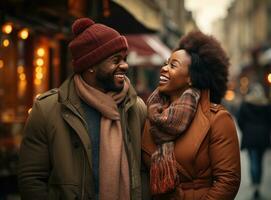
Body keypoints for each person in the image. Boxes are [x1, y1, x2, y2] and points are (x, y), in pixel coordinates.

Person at [18, 18, 148, 200]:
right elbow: (31, 179)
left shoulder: (137, 108)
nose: (124, 65)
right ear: (91, 66)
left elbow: (144, 171)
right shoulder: (48, 109)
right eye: (115, 60)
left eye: (124, 59)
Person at [141, 31, 241, 200]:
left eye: (173, 65)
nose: (164, 68)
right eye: (165, 63)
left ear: (191, 78)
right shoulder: (151, 114)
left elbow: (228, 181)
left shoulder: (217, 119)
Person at [237, 83, 271, 199]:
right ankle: (258, 183)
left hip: (250, 136)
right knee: (260, 161)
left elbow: (239, 119)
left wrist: (245, 130)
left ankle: (255, 183)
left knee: (253, 160)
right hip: (263, 136)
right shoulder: (266, 104)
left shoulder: (246, 104)